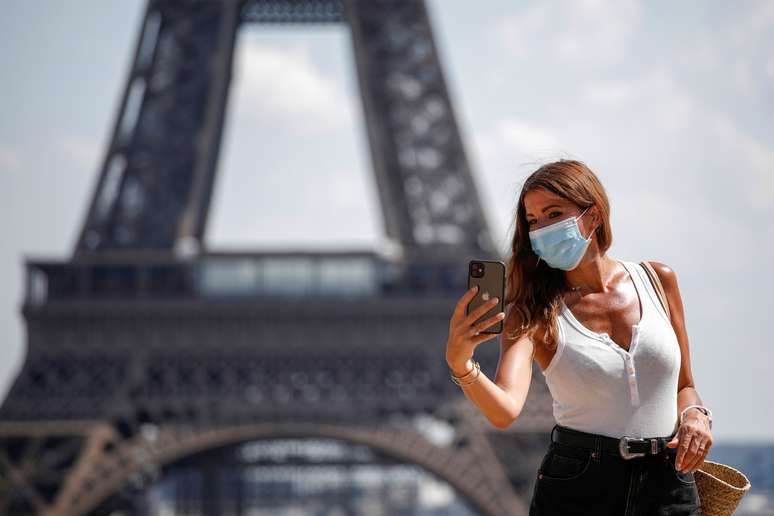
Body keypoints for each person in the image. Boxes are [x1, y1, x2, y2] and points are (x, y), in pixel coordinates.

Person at [444, 160, 713, 515]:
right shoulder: (534, 311)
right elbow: (505, 411)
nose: (541, 229)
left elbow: (685, 386)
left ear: (594, 215)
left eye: (554, 214)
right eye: (533, 221)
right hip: (581, 484)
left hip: (668, 481)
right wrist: (460, 362)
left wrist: (695, 414)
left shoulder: (658, 281)